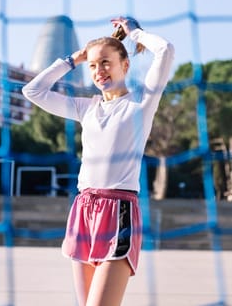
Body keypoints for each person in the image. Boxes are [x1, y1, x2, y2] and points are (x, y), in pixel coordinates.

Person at [22, 16, 174, 306]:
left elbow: (165, 50)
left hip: (118, 211)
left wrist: (135, 33)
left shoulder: (141, 102)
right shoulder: (86, 108)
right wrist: (73, 59)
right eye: (92, 65)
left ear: (124, 64)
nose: (98, 70)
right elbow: (32, 92)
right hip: (83, 211)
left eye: (105, 62)